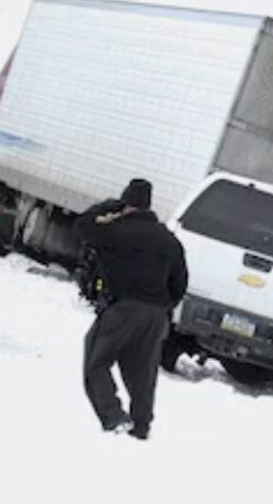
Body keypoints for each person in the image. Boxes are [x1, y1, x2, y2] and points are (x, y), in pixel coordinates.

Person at [75, 178, 188, 440]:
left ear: (126, 203)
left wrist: (108, 206)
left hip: (122, 309)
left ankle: (114, 417)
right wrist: (160, 307)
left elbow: (82, 227)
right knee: (143, 374)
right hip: (155, 316)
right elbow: (179, 285)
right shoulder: (170, 241)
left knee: (96, 362)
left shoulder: (115, 231)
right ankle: (141, 427)